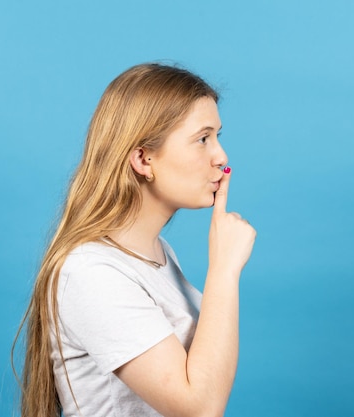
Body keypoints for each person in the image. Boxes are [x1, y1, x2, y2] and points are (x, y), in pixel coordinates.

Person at [13, 63, 256, 417]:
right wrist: (224, 269)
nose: (221, 156)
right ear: (143, 159)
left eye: (218, 137)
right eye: (203, 139)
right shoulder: (91, 273)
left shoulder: (155, 254)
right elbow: (199, 408)